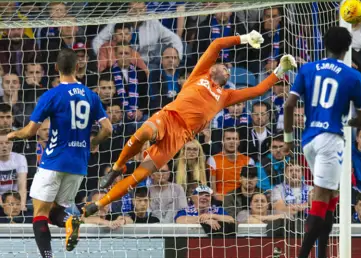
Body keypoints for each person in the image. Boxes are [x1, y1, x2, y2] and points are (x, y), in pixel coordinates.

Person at [83, 32, 297, 216]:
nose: (228, 70)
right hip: (169, 117)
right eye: (225, 67)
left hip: (179, 137)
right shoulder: (199, 75)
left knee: (140, 175)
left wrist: (279, 71)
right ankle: (117, 166)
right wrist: (243, 38)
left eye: (230, 71)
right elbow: (217, 44)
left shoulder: (226, 95)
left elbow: (258, 91)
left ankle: (99, 203)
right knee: (143, 134)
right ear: (214, 68)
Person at [7, 48, 113, 258]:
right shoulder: (91, 95)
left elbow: (30, 132)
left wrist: (12, 134)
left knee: (39, 212)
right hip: (79, 165)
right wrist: (94, 142)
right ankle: (69, 221)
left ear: (56, 68)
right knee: (57, 209)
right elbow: (108, 129)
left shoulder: (52, 95)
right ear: (77, 68)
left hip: (54, 161)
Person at [284, 26, 361, 258]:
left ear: (324, 45)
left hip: (308, 139)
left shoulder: (307, 68)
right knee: (321, 200)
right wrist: (349, 123)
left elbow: (289, 105)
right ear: (346, 49)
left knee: (331, 198)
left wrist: (288, 139)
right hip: (331, 139)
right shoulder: (353, 76)